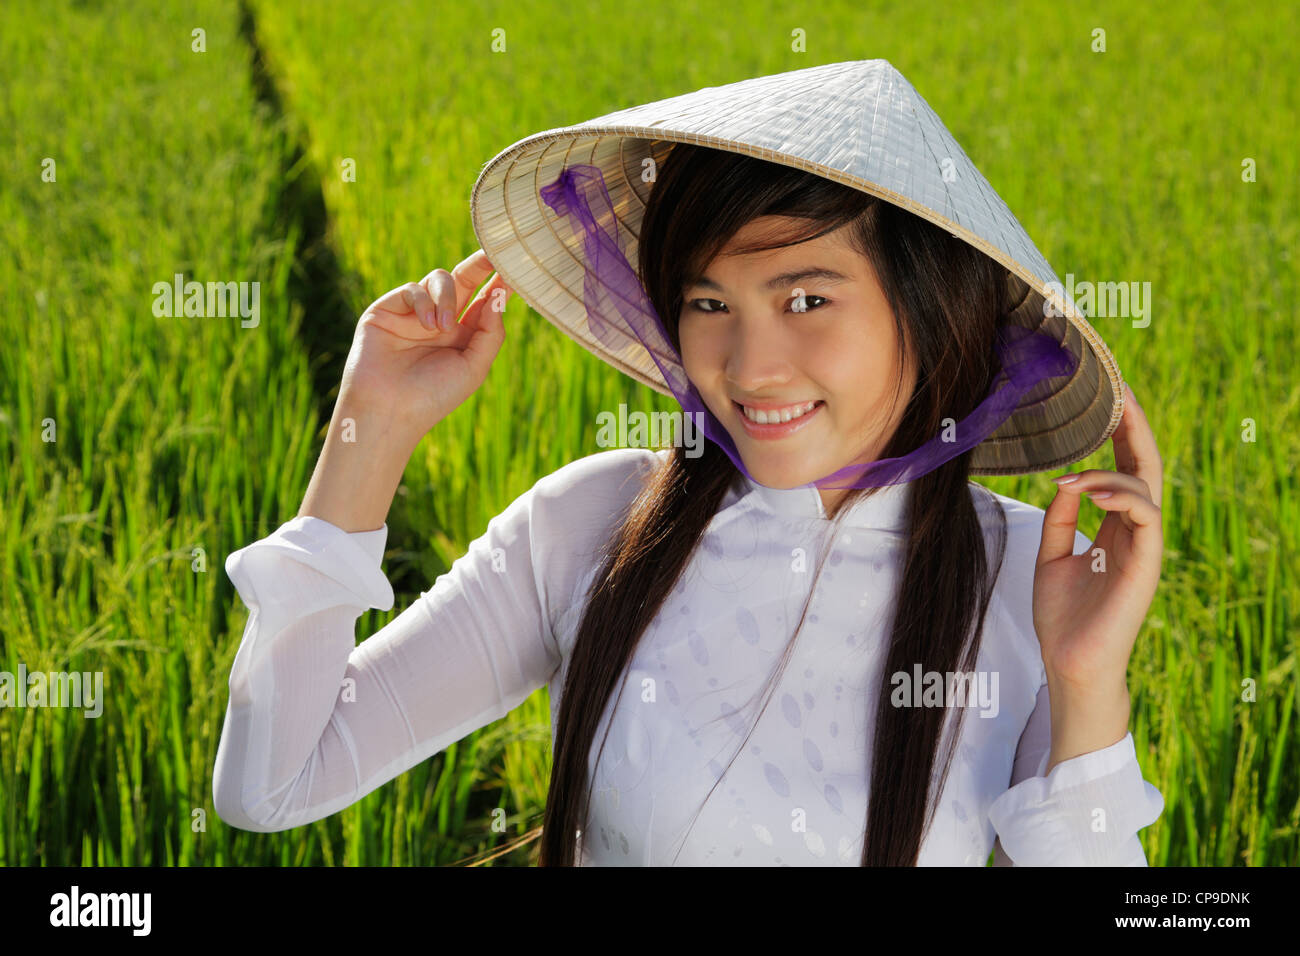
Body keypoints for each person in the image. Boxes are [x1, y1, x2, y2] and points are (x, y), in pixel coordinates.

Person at [213, 61, 1166, 866]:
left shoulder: (1029, 582)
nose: (747, 369)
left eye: (804, 301)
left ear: (930, 312)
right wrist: (369, 426)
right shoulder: (594, 520)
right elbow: (274, 783)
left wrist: (1085, 682)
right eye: (708, 304)